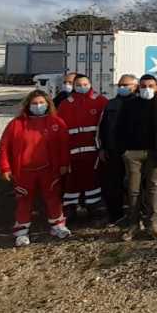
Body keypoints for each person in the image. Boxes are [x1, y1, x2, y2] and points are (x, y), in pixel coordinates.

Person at [0, 90, 72, 247]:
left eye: (41, 103)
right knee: (24, 200)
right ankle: (22, 231)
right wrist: (5, 167)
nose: (38, 106)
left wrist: (65, 164)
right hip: (24, 171)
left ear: (48, 104)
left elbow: (64, 146)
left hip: (49, 169)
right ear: (27, 105)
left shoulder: (56, 123)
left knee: (53, 198)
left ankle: (57, 225)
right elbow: (4, 146)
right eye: (34, 103)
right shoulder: (16, 124)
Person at [115, 74, 157, 241]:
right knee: (133, 190)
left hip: (155, 154)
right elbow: (119, 128)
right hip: (133, 154)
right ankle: (133, 224)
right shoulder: (129, 105)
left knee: (153, 188)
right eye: (143, 86)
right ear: (138, 88)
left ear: (156, 87)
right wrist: (123, 151)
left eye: (150, 85)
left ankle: (152, 223)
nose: (146, 89)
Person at [57, 74, 108, 218]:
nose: (82, 87)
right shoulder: (66, 104)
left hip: (93, 151)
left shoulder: (100, 101)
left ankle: (95, 209)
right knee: (71, 181)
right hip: (72, 151)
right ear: (74, 86)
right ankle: (70, 209)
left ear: (90, 84)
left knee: (93, 180)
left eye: (85, 84)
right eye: (78, 85)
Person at [97, 74, 138, 225]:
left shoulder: (140, 103)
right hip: (113, 151)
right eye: (120, 85)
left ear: (135, 86)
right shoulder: (111, 104)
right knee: (112, 185)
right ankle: (115, 216)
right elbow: (102, 127)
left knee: (135, 185)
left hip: (134, 152)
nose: (122, 88)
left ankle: (136, 215)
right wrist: (102, 148)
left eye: (126, 85)